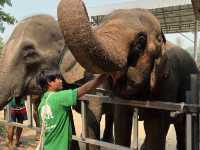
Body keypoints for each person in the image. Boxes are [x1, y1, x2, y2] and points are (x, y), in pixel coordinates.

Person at [36, 69, 108, 150]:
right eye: (58, 79)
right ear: (50, 82)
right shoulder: (60, 97)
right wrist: (104, 76)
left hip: (48, 146)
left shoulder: (42, 102)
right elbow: (86, 89)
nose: (61, 81)